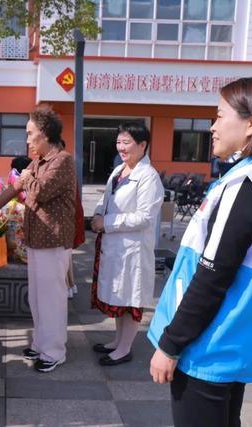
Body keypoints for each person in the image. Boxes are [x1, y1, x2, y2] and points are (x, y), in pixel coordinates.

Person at [147, 76, 252, 427]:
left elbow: (212, 275)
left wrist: (170, 344)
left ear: (250, 125)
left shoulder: (246, 184)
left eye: (218, 116)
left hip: (209, 346)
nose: (212, 127)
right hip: (238, 340)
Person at [0, 106, 76, 373]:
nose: (28, 139)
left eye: (30, 134)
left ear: (44, 134)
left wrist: (27, 176)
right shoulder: (38, 162)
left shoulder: (62, 161)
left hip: (53, 241)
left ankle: (55, 351)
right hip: (36, 240)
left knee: (52, 298)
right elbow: (13, 188)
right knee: (37, 298)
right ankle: (42, 343)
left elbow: (39, 192)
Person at [90, 123, 164, 365]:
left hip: (133, 250)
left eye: (127, 142)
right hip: (115, 246)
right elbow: (106, 199)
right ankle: (117, 341)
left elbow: (144, 217)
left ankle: (124, 348)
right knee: (118, 296)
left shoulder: (148, 177)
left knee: (131, 298)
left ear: (142, 145)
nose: (121, 147)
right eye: (119, 142)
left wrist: (107, 222)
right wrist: (98, 215)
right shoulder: (119, 170)